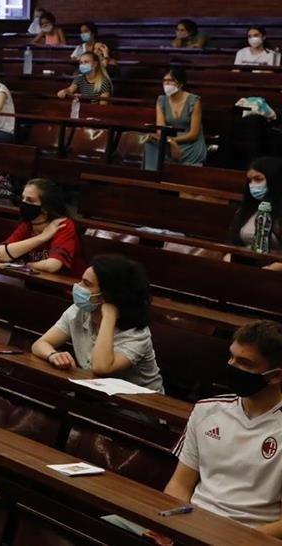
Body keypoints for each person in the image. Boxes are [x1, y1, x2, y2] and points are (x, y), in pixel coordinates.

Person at [165, 320, 282, 535]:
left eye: (245, 363)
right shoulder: (206, 410)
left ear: (276, 375)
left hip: (249, 536)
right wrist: (175, 525)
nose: (232, 366)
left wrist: (233, 540)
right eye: (232, 357)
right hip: (191, 523)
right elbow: (180, 484)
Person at [31, 254, 163, 393]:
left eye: (87, 284)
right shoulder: (79, 311)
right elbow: (39, 344)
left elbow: (101, 367)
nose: (78, 287)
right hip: (95, 397)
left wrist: (109, 316)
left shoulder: (137, 334)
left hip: (138, 407)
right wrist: (53, 355)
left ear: (108, 295)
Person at [0, 178, 85, 276]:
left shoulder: (63, 225)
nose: (23, 203)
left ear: (45, 208)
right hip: (36, 283)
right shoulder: (28, 224)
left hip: (64, 286)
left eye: (30, 200)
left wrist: (28, 265)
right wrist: (41, 238)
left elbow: (53, 265)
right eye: (23, 198)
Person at [226, 156, 282, 270]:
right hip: (244, 266)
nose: (252, 185)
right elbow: (232, 243)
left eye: (258, 179)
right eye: (250, 180)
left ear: (274, 180)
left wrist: (267, 270)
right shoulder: (247, 209)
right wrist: (228, 259)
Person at [144, 66, 205, 171]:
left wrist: (173, 140)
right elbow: (160, 129)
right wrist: (169, 141)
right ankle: (151, 178)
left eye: (170, 81)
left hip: (189, 144)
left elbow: (194, 134)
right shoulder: (161, 100)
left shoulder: (194, 101)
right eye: (164, 81)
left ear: (180, 84)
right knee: (149, 143)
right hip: (169, 141)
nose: (166, 84)